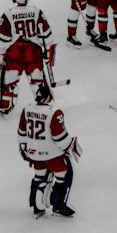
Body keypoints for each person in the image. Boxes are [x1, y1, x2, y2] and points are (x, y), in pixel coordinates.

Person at [17, 80, 80, 218]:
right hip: (52, 154)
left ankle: (36, 205)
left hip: (34, 153)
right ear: (47, 97)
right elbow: (60, 137)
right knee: (64, 175)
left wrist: (23, 148)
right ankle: (58, 205)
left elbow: (21, 132)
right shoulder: (54, 113)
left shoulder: (27, 109)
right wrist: (71, 145)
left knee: (39, 176)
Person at [0, 0, 54, 115]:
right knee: (37, 79)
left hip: (15, 53)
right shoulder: (36, 11)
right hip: (34, 51)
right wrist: (49, 51)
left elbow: (2, 38)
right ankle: (43, 102)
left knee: (10, 80)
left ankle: (5, 105)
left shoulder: (8, 14)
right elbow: (46, 33)